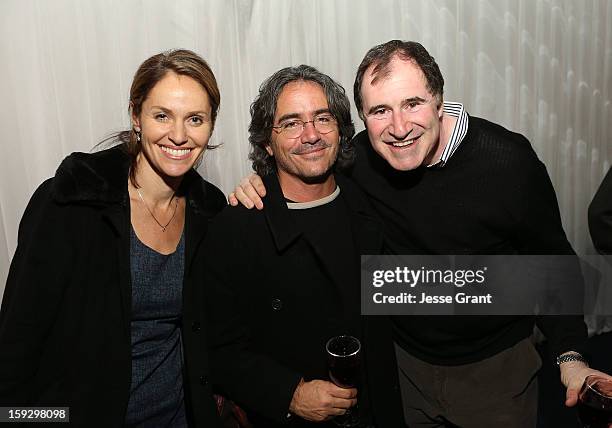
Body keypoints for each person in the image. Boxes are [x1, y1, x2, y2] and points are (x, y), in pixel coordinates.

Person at [229, 40, 611, 427]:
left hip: (495, 372)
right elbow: (307, 169)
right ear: (362, 118)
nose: (399, 128)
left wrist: (572, 358)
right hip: (399, 367)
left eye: (413, 103)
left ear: (439, 99)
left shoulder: (508, 162)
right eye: (380, 111)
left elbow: (552, 265)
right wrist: (263, 185)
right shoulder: (360, 160)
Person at [0, 49, 226, 427]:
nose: (179, 135)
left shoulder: (210, 211)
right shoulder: (71, 203)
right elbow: (15, 347)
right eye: (162, 115)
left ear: (211, 126)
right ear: (136, 116)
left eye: (195, 119)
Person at [204, 65, 402, 427]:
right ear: (267, 140)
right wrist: (289, 393)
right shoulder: (236, 227)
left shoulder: (372, 203)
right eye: (292, 123)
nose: (310, 135)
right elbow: (215, 348)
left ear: (341, 130)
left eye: (322, 118)